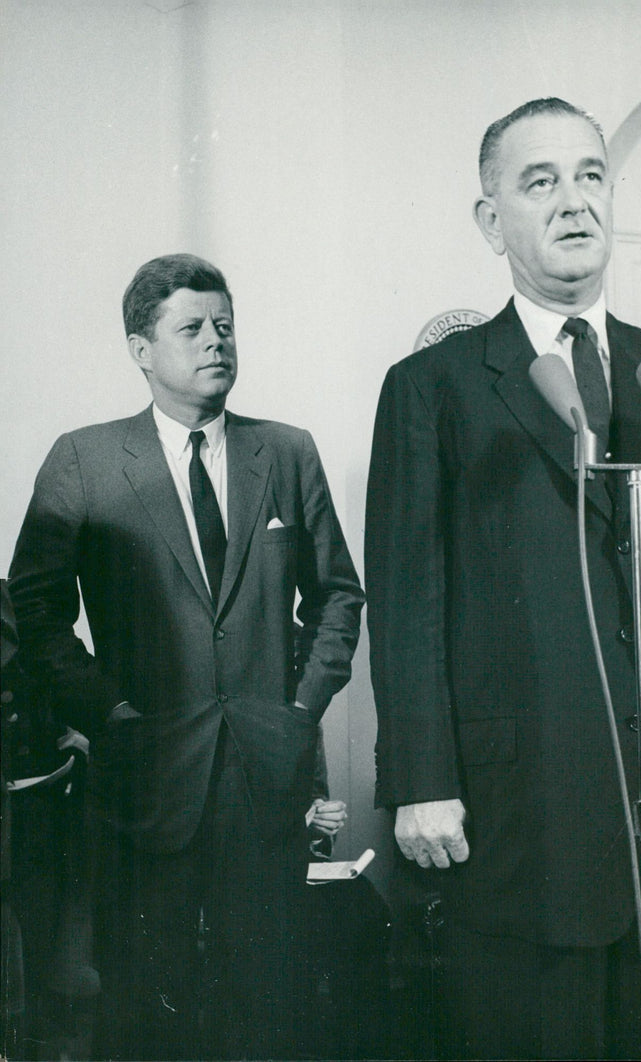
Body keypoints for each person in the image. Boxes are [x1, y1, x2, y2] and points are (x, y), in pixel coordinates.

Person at [364, 98, 641, 1060]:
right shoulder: (432, 388)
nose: (572, 202)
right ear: (491, 221)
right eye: (539, 181)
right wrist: (422, 780)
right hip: (523, 820)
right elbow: (409, 595)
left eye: (590, 175)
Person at [7, 254, 365, 1061]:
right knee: (141, 1000)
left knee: (267, 1001)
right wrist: (109, 713)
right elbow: (35, 612)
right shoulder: (84, 460)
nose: (217, 343)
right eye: (193, 328)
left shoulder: (288, 451)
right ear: (141, 349)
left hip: (265, 780)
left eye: (226, 327)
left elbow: (339, 594)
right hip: (143, 773)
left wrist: (300, 709)